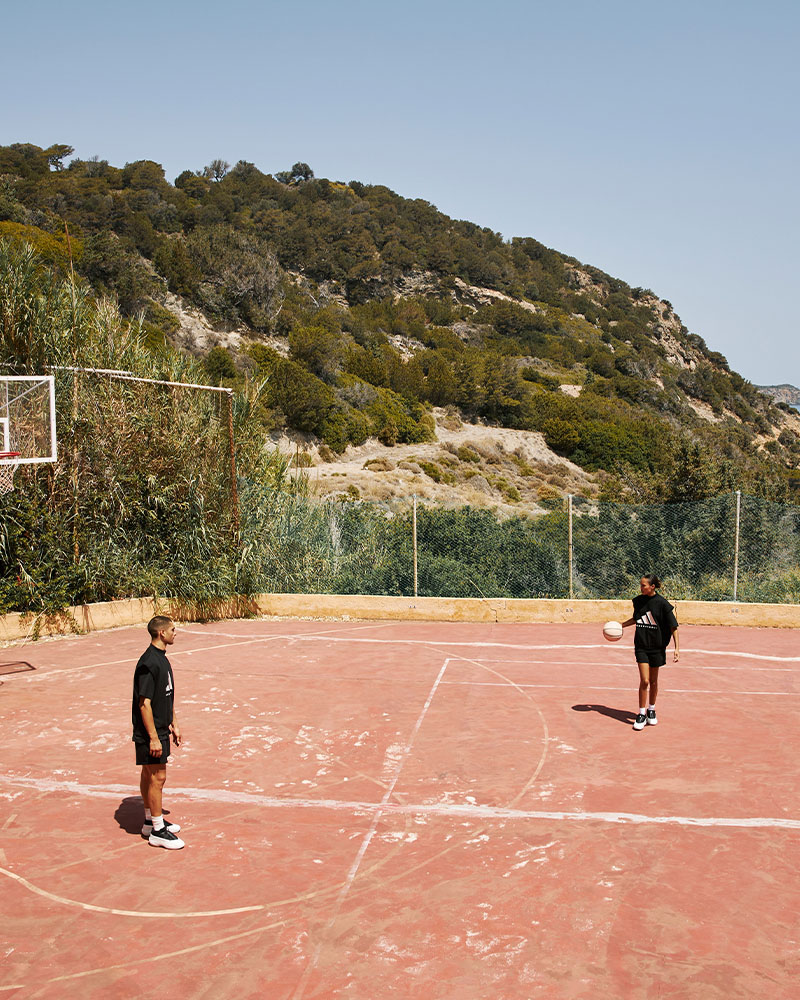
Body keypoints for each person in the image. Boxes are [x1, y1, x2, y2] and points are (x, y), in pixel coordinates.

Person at [132, 615, 185, 849]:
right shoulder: (148, 663)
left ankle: (149, 821)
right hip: (150, 732)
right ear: (161, 633)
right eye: (173, 629)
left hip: (161, 727)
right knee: (157, 777)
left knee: (148, 774)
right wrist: (153, 737)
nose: (176, 632)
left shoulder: (162, 659)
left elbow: (167, 694)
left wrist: (174, 722)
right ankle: (157, 831)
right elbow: (144, 703)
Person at [621, 574, 679, 731]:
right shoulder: (638, 601)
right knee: (645, 680)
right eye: (640, 585)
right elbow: (636, 619)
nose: (641, 588)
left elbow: (673, 627)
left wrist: (677, 648)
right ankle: (641, 713)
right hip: (641, 646)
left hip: (657, 647)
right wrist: (620, 625)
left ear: (652, 586)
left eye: (643, 586)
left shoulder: (662, 604)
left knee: (653, 681)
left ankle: (651, 710)